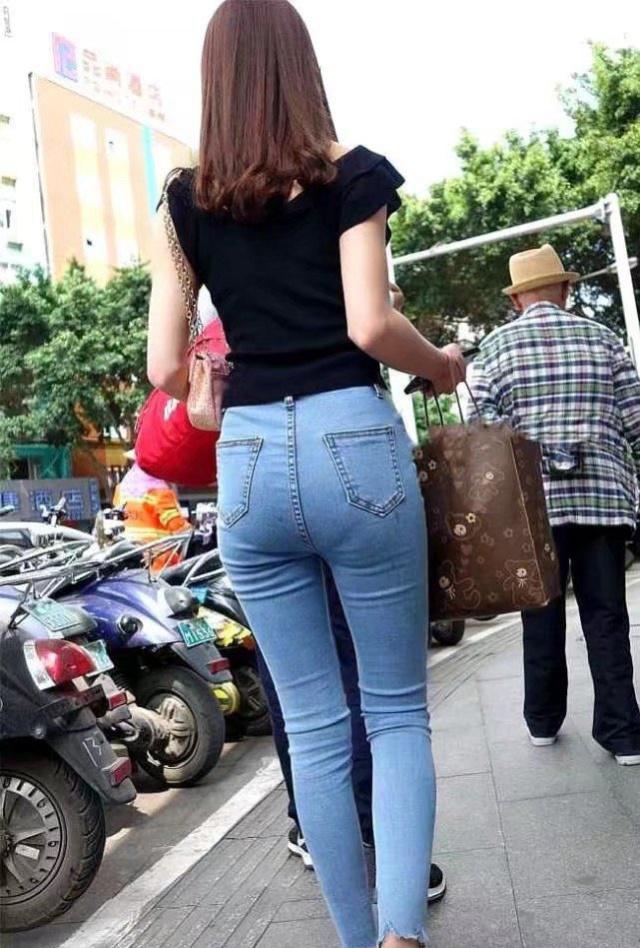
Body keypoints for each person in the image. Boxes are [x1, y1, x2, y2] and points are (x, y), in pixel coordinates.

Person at [147, 3, 465, 945]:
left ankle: (358, 940)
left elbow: (165, 365)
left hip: (246, 459)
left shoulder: (185, 199)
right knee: (394, 714)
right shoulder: (351, 175)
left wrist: (215, 384)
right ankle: (403, 932)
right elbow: (370, 324)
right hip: (352, 440)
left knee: (316, 726)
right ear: (301, 66)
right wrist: (442, 365)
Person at [469, 243, 640, 764]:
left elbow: (484, 434)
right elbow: (636, 420)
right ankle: (623, 734)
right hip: (602, 498)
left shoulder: (494, 350)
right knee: (606, 614)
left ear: (516, 298)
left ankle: (543, 721)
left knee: (540, 614)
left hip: (532, 506)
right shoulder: (604, 339)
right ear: (566, 289)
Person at [255, 565, 446, 903]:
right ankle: (381, 843)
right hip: (354, 536)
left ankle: (313, 833)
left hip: (257, 535)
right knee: (380, 688)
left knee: (294, 692)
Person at [113, 451, 190, 570]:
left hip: (128, 559)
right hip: (158, 562)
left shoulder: (121, 490)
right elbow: (178, 527)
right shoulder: (160, 494)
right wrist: (191, 528)